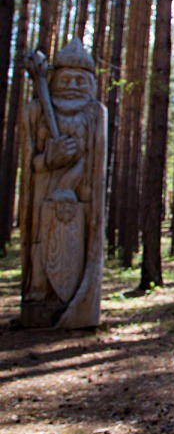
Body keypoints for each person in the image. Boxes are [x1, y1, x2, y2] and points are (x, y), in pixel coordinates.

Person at [20, 37, 106, 329]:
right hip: (43, 196)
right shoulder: (36, 112)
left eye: (79, 81)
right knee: (39, 243)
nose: (71, 86)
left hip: (79, 202)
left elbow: (95, 169)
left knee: (71, 245)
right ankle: (37, 291)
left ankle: (74, 299)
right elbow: (29, 160)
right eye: (65, 79)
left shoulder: (94, 115)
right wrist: (48, 160)